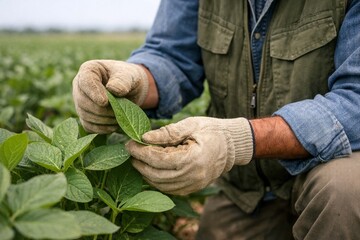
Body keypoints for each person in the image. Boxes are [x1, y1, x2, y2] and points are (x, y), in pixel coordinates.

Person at [72, 0, 360, 239]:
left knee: (343, 191)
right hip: (245, 188)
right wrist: (137, 80)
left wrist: (236, 140)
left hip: (329, 166)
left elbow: (355, 99)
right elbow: (172, 54)